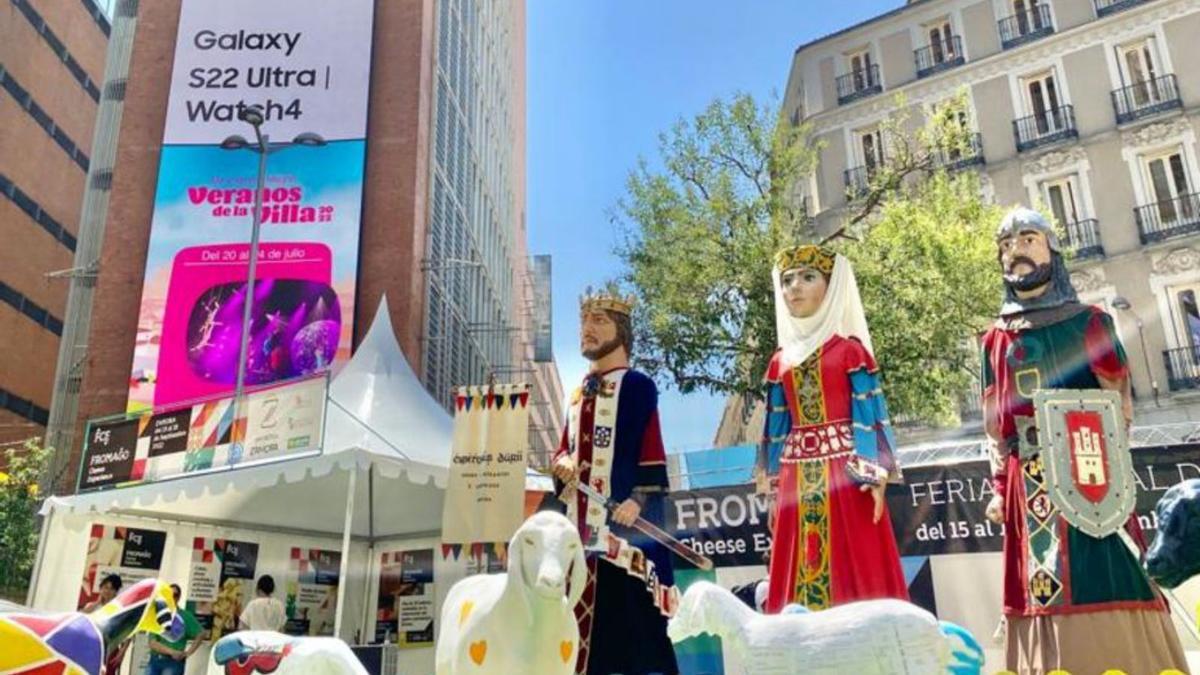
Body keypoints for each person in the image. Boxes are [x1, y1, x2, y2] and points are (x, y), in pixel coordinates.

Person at [981, 207, 1186, 671]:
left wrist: (1100, 459)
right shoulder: (995, 338)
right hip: (1025, 481)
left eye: (1028, 239)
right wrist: (997, 487)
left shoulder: (1089, 321)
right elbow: (995, 424)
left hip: (1088, 469)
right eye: (1007, 246)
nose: (1016, 252)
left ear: (1051, 248)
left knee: (1108, 571)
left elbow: (1118, 404)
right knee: (1039, 586)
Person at [754, 244, 908, 613]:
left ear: (832, 287)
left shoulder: (850, 352)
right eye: (787, 281)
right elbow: (774, 430)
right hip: (795, 479)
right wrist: (774, 489)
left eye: (808, 278)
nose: (794, 288)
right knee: (798, 571)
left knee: (856, 569)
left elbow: (870, 415)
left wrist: (873, 473)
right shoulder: (780, 362)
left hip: (847, 476)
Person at [551, 286, 678, 675]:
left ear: (621, 330)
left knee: (637, 626)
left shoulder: (638, 385)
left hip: (624, 534)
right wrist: (564, 463)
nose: (586, 329)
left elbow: (651, 448)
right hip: (580, 535)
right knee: (584, 627)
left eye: (598, 320)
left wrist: (638, 499)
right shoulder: (575, 395)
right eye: (584, 321)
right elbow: (561, 449)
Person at [146, 584, 204, 675]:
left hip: (174, 663)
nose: (172, 598)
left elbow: (201, 633)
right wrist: (172, 652)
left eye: (175, 595)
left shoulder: (185, 616)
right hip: (155, 660)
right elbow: (152, 643)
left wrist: (188, 653)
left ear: (179, 597)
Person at [84, 574, 132, 674]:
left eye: (112, 589)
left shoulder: (120, 609)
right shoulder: (92, 606)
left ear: (116, 592)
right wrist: (97, 603)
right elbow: (81, 616)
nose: (107, 591)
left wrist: (122, 652)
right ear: (100, 588)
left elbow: (129, 632)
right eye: (105, 587)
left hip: (111, 648)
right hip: (92, 646)